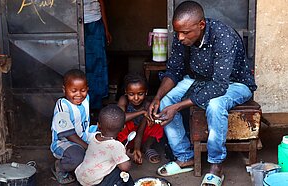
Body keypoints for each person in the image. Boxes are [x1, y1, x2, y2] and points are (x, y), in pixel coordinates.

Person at [147, 1, 257, 185]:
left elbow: (219, 85)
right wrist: (157, 98)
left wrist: (179, 106)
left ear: (201, 25)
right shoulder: (182, 36)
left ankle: (216, 165)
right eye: (178, 32)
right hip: (198, 78)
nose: (180, 37)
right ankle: (184, 157)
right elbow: (174, 70)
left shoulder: (224, 36)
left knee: (215, 105)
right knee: (165, 102)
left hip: (234, 83)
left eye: (185, 33)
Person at [50, 69, 97, 184]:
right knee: (77, 158)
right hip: (65, 142)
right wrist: (88, 147)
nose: (79, 95)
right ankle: (60, 166)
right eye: (73, 91)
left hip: (83, 136)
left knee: (106, 141)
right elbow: (68, 134)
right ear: (64, 90)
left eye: (83, 90)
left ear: (87, 89)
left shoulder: (86, 99)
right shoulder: (62, 105)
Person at [75, 104, 134, 186]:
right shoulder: (116, 146)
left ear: (98, 125)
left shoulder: (94, 137)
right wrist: (128, 157)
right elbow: (125, 167)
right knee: (124, 175)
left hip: (81, 178)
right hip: (96, 183)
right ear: (123, 128)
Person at [117, 73, 164, 164]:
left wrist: (137, 150)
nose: (136, 98)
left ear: (146, 92)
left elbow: (140, 131)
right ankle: (122, 149)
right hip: (126, 137)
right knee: (122, 125)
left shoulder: (147, 105)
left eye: (140, 94)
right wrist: (142, 112)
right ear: (126, 92)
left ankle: (147, 148)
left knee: (156, 123)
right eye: (131, 94)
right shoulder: (124, 100)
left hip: (141, 137)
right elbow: (120, 118)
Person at [84, 0, 112, 115]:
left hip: (94, 23)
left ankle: (95, 106)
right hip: (73, 24)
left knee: (96, 64)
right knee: (80, 63)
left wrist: (106, 29)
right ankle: (82, 105)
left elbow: (101, 3)